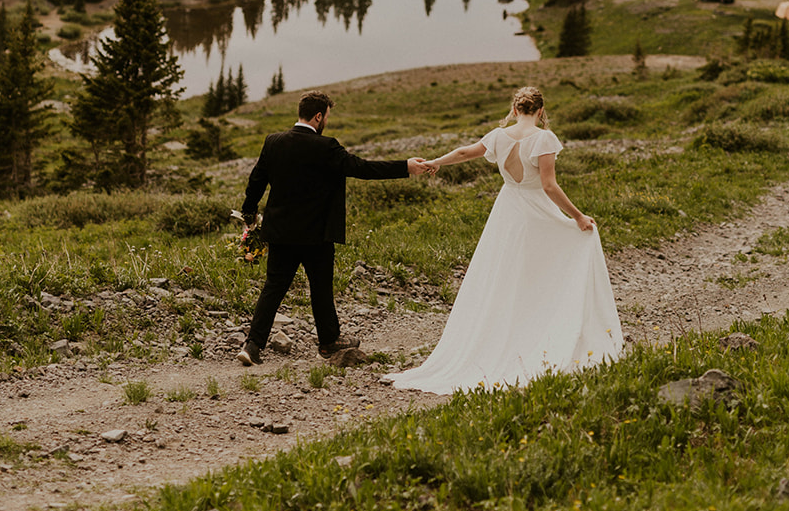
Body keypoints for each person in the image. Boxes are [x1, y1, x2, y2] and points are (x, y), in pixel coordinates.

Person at [386, 84, 622, 394]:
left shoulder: (499, 136)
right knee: (547, 268)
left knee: (506, 274)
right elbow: (549, 186)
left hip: (508, 212)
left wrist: (435, 162)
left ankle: (513, 331)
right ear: (540, 111)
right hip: (536, 211)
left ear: (514, 110)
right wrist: (578, 216)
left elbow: (463, 153)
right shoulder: (544, 138)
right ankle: (542, 328)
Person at [238, 89, 424, 365]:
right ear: (317, 116)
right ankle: (327, 343)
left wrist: (249, 213)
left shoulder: (274, 142)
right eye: (326, 116)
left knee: (273, 287)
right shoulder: (326, 147)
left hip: (280, 232)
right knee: (320, 288)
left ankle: (252, 346)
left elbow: (256, 180)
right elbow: (362, 168)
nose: (326, 122)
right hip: (316, 234)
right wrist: (405, 167)